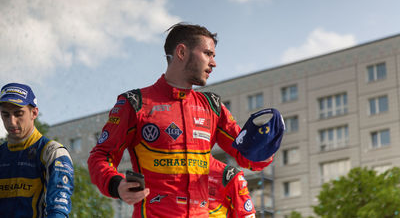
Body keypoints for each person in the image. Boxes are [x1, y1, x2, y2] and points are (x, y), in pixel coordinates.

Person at [88, 23, 275, 218]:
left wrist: (266, 145)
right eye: (208, 54)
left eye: (213, 56)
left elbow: (248, 157)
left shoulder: (212, 106)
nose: (213, 63)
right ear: (182, 52)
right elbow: (101, 156)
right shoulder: (135, 103)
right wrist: (116, 184)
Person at [0, 83, 74, 218]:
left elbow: (58, 211)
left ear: (34, 113)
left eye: (18, 114)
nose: (11, 122)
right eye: (5, 115)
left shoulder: (53, 153)